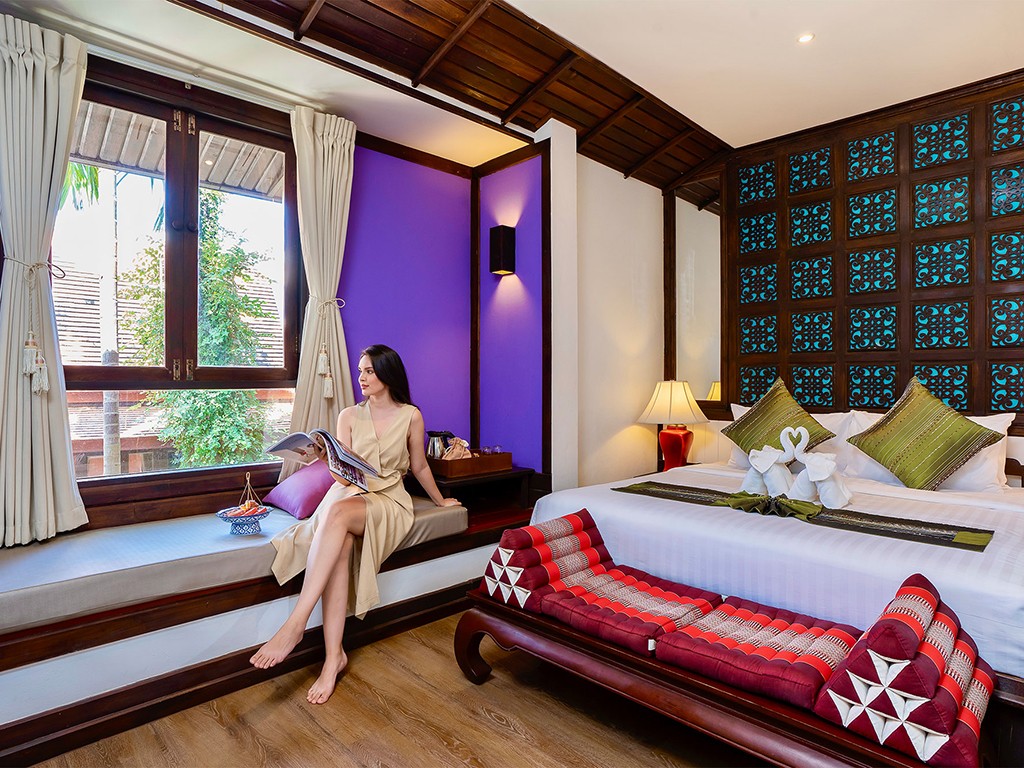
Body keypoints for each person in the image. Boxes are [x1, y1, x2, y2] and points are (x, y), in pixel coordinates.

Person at [250, 344, 460, 704]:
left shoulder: (411, 416)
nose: (361, 377)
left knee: (336, 515)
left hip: (388, 499)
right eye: (360, 370)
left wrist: (441, 501)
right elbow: (342, 479)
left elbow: (419, 465)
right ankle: (333, 658)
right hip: (350, 494)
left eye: (369, 371)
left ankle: (296, 624)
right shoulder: (348, 415)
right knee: (341, 538)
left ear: (387, 373)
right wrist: (324, 457)